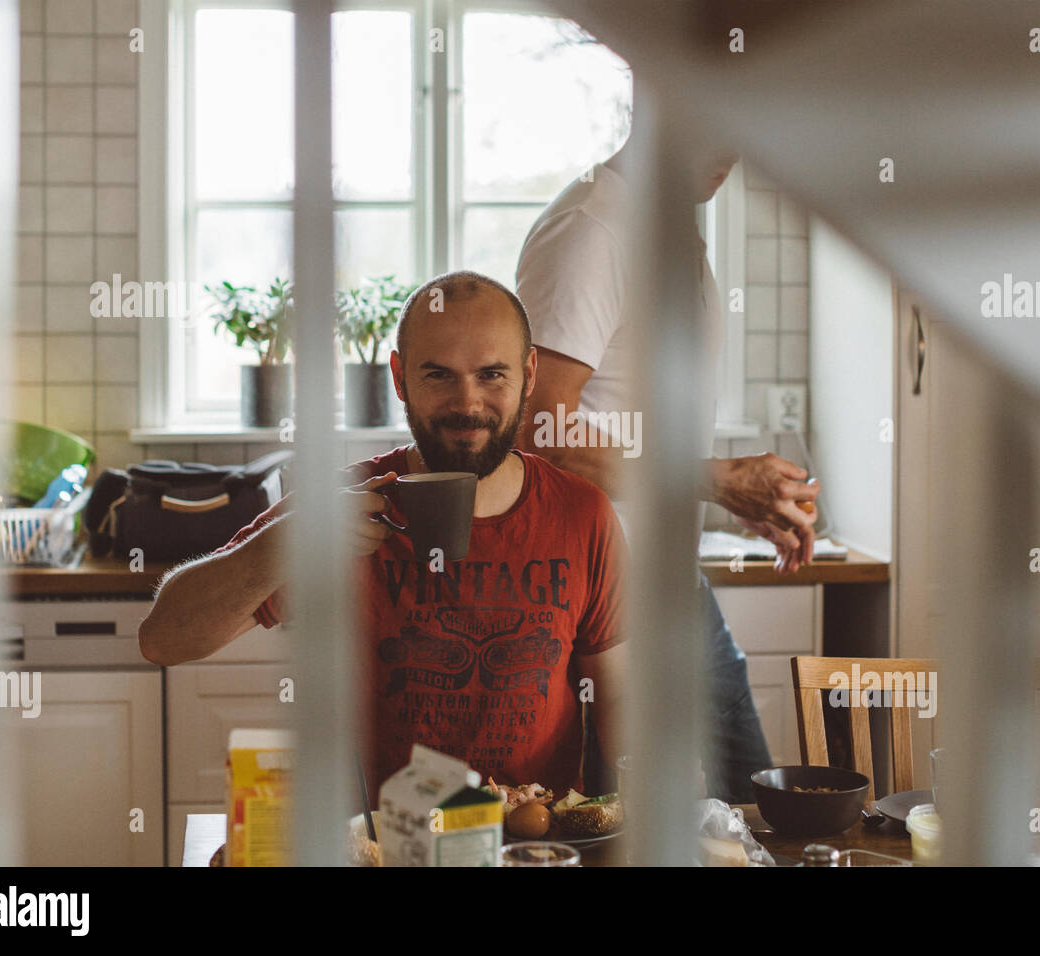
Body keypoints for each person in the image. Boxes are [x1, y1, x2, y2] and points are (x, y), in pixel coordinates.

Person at [138, 271, 628, 799]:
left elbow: (618, 697)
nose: (467, 404)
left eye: (492, 375)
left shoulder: (583, 514)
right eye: (438, 375)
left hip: (534, 844)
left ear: (529, 373)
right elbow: (164, 640)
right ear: (399, 377)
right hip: (376, 846)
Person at [515, 135, 819, 804]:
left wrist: (733, 494)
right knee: (628, 821)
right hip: (596, 596)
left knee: (743, 816)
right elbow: (545, 432)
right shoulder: (593, 230)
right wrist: (717, 478)